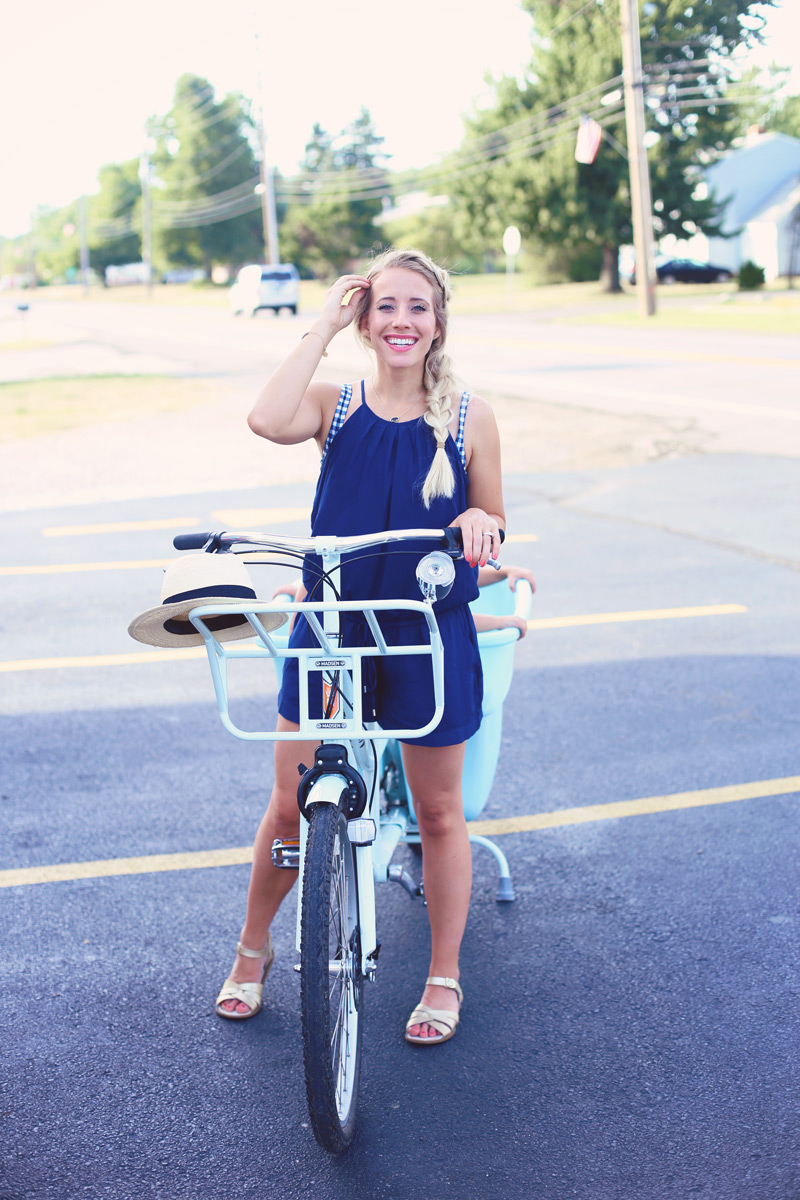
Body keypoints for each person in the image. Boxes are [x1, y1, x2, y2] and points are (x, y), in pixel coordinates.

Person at [215, 248, 508, 1045]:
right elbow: (265, 420)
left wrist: (484, 527)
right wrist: (323, 323)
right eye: (385, 307)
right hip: (336, 629)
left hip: (424, 633)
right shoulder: (333, 405)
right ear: (365, 319)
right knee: (289, 803)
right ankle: (254, 947)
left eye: (418, 307)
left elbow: (492, 519)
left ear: (438, 321)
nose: (401, 322)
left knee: (439, 812)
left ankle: (442, 975)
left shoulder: (469, 415)